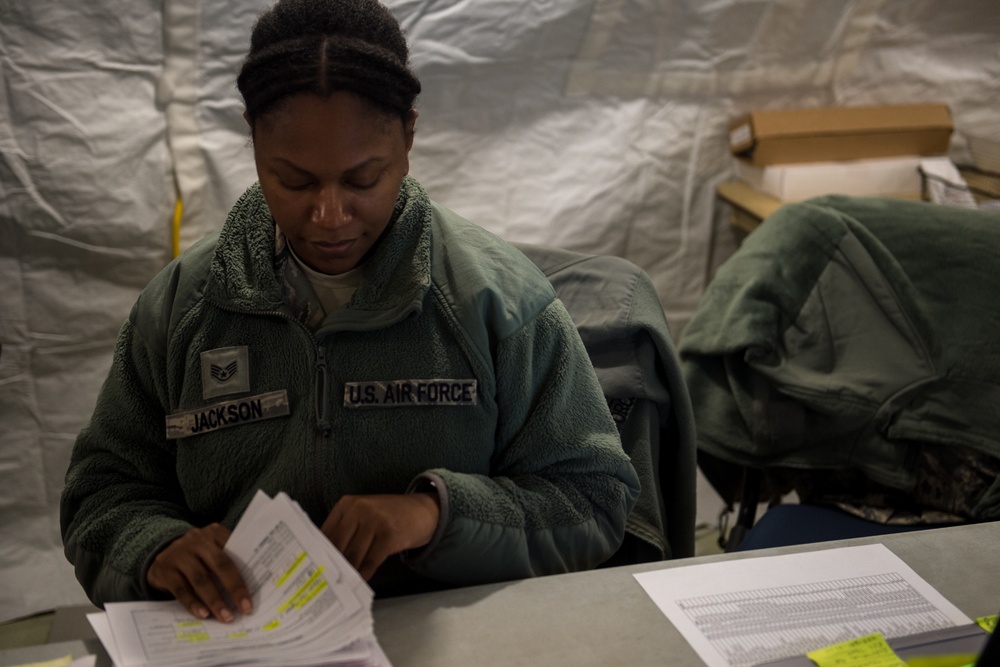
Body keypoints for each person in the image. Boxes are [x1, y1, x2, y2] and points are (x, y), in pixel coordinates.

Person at [60, 0, 640, 624]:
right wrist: (153, 548)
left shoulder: (499, 305)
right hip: (241, 645)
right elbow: (102, 495)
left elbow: (594, 499)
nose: (330, 216)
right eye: (296, 181)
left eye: (364, 180)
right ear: (252, 139)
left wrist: (435, 516)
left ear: (409, 137)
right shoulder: (181, 311)